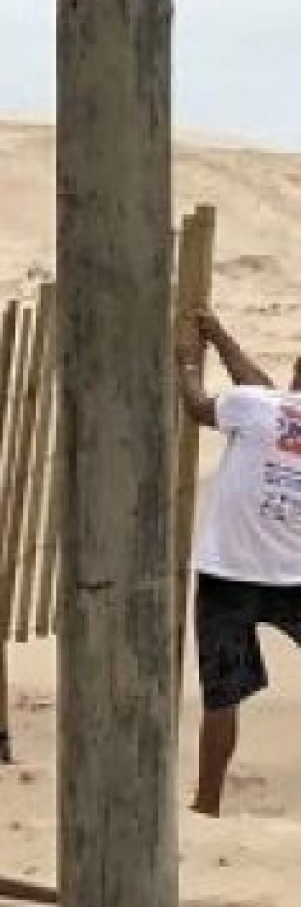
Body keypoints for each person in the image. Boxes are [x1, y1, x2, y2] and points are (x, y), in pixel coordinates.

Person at [176, 308, 301, 817]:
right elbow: (260, 389)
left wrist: (186, 364)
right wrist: (222, 337)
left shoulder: (256, 407)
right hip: (294, 574)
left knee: (221, 696)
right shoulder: (260, 403)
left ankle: (208, 805)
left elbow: (200, 408)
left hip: (229, 572)